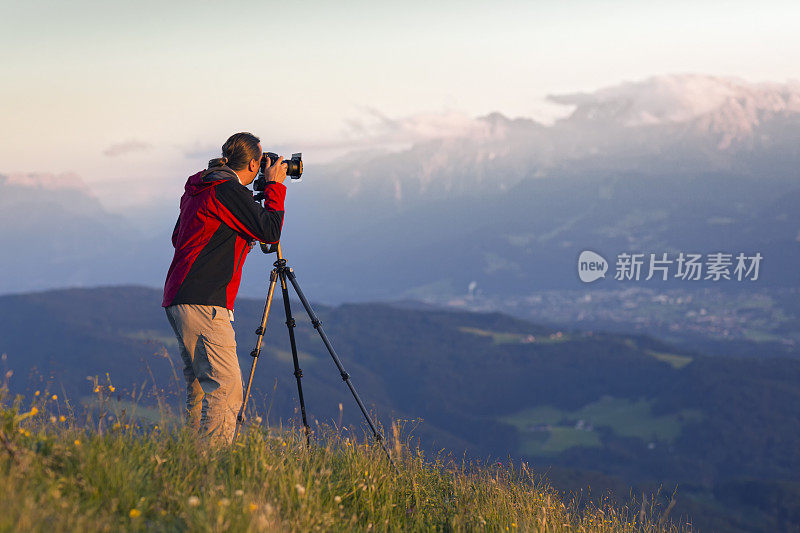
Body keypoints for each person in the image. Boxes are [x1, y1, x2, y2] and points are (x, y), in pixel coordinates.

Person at [162, 132, 288, 444]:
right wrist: (274, 187)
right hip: (205, 300)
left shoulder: (202, 186)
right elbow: (270, 231)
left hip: (180, 299)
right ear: (256, 164)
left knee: (202, 390)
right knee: (226, 389)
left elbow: (179, 238)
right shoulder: (227, 189)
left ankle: (190, 465)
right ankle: (212, 472)